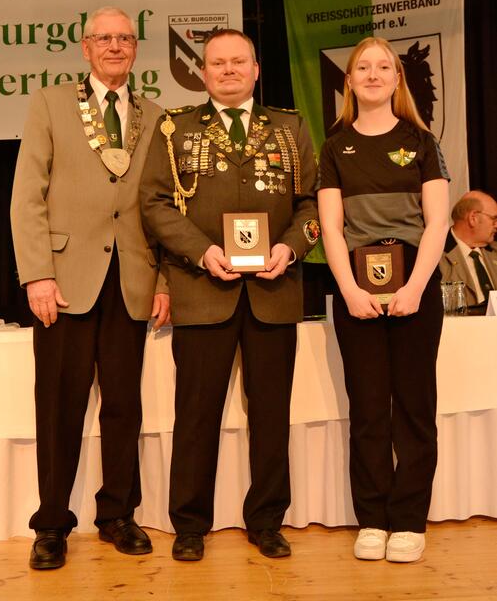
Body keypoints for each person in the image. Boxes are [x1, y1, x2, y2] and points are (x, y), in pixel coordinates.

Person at [139, 29, 318, 561]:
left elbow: (312, 204)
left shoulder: (289, 127)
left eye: (239, 61)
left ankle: (267, 520)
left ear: (256, 69)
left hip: (274, 290)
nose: (229, 70)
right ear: (203, 72)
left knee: (271, 415)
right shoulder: (174, 129)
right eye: (218, 63)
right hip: (202, 290)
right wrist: (201, 252)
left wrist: (290, 248)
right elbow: (154, 204)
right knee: (196, 416)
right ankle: (190, 524)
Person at [10, 6, 169, 570]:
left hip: (132, 279)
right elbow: (27, 195)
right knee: (59, 407)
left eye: (125, 38)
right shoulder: (50, 103)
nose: (115, 46)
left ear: (135, 48)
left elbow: (165, 206)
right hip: (65, 281)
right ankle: (52, 523)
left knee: (124, 407)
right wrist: (37, 273)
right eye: (105, 38)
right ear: (85, 47)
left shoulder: (156, 115)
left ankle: (118, 515)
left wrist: (164, 279)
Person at [317, 37, 450, 563]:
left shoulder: (421, 141)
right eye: (363, 67)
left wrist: (415, 286)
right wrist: (349, 290)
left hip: (417, 284)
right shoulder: (334, 146)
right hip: (356, 289)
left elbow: (437, 222)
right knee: (369, 409)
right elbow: (331, 228)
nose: (373, 75)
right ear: (349, 81)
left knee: (415, 408)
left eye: (383, 67)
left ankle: (410, 522)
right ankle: (372, 519)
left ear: (397, 79)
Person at [440, 190, 497, 311]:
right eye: (493, 219)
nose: (496, 225)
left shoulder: (494, 252)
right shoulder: (436, 256)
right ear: (473, 218)